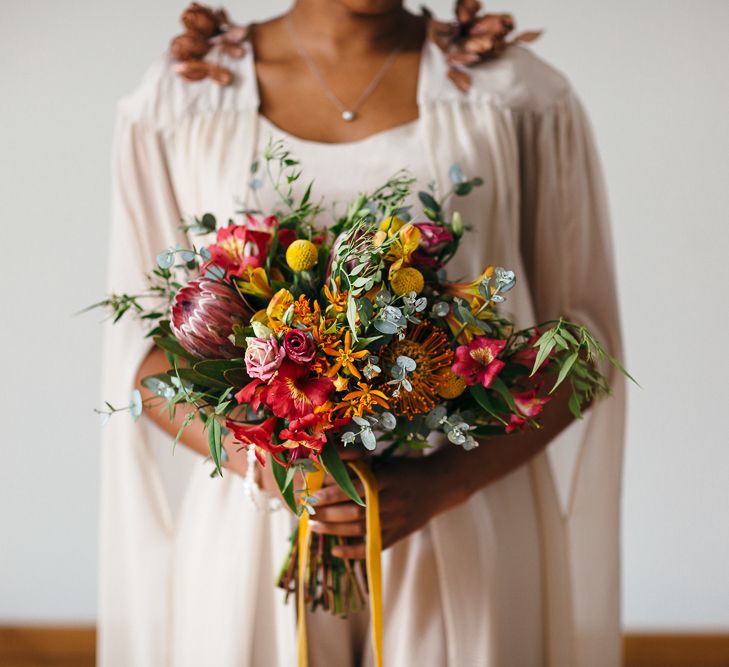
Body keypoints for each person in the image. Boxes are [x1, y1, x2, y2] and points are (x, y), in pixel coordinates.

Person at [101, 1, 625, 665]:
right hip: (259, 531)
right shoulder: (185, 100)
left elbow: (584, 347)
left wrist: (443, 482)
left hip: (462, 526)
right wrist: (267, 468)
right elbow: (145, 362)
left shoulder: (516, 96)